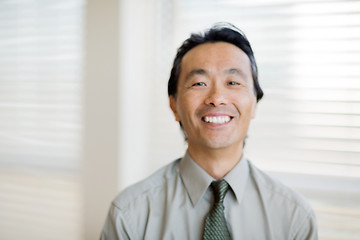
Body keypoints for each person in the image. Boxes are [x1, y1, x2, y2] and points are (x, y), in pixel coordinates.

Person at [100, 23, 318, 240]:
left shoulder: (294, 217)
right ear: (174, 105)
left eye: (233, 82)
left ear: (254, 103)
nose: (216, 98)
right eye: (199, 83)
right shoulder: (130, 214)